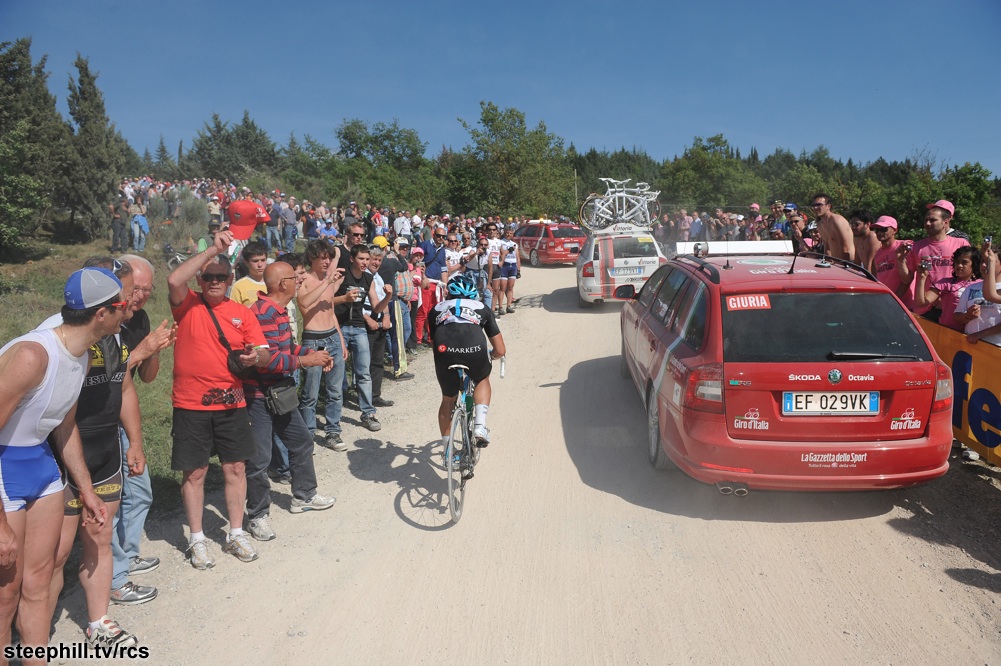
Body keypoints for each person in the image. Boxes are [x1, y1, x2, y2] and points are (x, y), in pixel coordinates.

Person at [0, 269, 116, 659]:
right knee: (5, 593)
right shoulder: (34, 354)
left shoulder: (80, 356)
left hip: (41, 466)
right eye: (120, 307)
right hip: (5, 471)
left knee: (38, 581)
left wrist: (86, 491)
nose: (129, 312)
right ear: (101, 315)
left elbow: (64, 428)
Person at [166, 229, 273, 569]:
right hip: (191, 403)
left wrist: (254, 359)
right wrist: (213, 249)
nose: (214, 281)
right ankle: (197, 539)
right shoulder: (188, 305)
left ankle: (236, 532)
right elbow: (173, 278)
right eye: (208, 277)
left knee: (235, 468)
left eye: (220, 277)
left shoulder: (243, 313)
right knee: (195, 473)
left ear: (230, 279)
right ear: (201, 279)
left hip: (232, 402)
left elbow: (265, 354)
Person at [242, 262, 337, 542]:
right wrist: (305, 360)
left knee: (301, 440)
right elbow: (266, 359)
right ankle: (257, 515)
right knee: (259, 459)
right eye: (296, 278)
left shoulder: (278, 311)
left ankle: (304, 496)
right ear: (283, 284)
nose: (300, 281)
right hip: (259, 396)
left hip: (279, 392)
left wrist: (312, 353)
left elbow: (286, 348)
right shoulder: (262, 313)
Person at [109, 255, 175, 607]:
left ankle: (128, 554)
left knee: (140, 492)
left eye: (148, 290)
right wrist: (141, 351)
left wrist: (155, 350)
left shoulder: (139, 319)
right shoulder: (104, 321)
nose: (141, 297)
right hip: (101, 419)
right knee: (114, 502)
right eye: (136, 289)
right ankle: (115, 574)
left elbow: (144, 379)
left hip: (125, 413)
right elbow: (107, 374)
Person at [429, 275, 506, 454]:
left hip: (443, 349)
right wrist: (491, 356)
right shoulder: (482, 307)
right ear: (472, 295)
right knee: (481, 378)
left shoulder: (436, 308)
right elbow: (500, 350)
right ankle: (480, 426)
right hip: (474, 347)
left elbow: (433, 341)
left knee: (448, 398)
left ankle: (448, 451)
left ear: (449, 295)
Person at [297, 240, 351, 451]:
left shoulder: (327, 280)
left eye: (329, 257)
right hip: (314, 339)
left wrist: (341, 339)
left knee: (335, 390)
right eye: (323, 257)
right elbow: (304, 303)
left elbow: (329, 311)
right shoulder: (305, 279)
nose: (327, 261)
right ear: (312, 258)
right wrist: (328, 282)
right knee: (310, 392)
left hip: (332, 336)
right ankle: (308, 434)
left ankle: (333, 432)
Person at [333, 244, 393, 432]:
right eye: (361, 259)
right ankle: (333, 419)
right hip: (340, 327)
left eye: (367, 259)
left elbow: (376, 307)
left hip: (359, 328)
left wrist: (388, 297)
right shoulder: (342, 277)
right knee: (337, 374)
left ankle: (368, 413)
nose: (365, 262)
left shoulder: (369, 279)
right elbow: (326, 300)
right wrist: (344, 298)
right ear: (352, 259)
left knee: (364, 372)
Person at [896, 199, 971, 317]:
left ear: (945, 222)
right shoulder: (917, 246)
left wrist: (945, 298)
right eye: (926, 220)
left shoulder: (961, 244)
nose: (928, 223)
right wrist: (900, 260)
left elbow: (969, 276)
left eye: (932, 220)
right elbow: (906, 279)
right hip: (924, 307)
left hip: (952, 307)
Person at [913, 246, 980, 332]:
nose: (959, 265)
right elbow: (921, 302)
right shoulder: (945, 283)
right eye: (957, 262)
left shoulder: (981, 285)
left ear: (974, 264)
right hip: (946, 331)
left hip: (971, 334)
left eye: (964, 262)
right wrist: (922, 278)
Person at [955, 246, 1001, 345]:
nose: (984, 265)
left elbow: (990, 295)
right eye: (982, 261)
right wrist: (967, 316)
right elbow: (957, 315)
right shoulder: (971, 288)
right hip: (970, 344)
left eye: (989, 262)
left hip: (996, 347)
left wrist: (981, 334)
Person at [810, 194, 854, 261]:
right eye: (814, 205)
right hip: (836, 264)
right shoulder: (819, 224)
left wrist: (844, 267)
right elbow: (827, 248)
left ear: (828, 206)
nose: (815, 208)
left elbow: (846, 249)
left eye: (819, 205)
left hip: (850, 264)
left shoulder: (837, 221)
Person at [870, 216, 905, 296]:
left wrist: (895, 299)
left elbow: (907, 279)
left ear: (894, 230)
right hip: (887, 301)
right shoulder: (877, 254)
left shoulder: (902, 247)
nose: (879, 233)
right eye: (877, 230)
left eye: (883, 229)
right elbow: (876, 280)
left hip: (905, 304)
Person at [230, 242, 269, 307]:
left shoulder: (274, 282)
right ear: (246, 262)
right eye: (255, 261)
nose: (260, 265)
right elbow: (234, 313)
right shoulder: (239, 286)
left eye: (263, 260)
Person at [498, 227, 521, 313]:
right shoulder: (500, 242)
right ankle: (500, 307)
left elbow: (517, 257)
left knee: (510, 287)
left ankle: (509, 306)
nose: (509, 235)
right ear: (504, 233)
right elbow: (501, 253)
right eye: (507, 233)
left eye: (511, 233)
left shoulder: (514, 244)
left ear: (513, 234)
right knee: (503, 287)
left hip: (513, 266)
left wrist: (518, 269)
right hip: (504, 266)